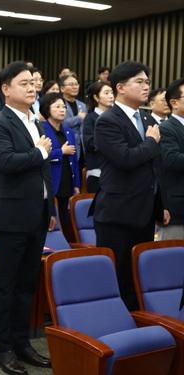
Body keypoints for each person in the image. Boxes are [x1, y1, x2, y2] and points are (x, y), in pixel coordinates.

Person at [0, 61, 54, 375]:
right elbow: (4, 161)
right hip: (9, 217)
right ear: (6, 89)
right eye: (24, 83)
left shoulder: (34, 122)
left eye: (33, 83)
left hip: (36, 215)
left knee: (27, 284)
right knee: (4, 286)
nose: (31, 87)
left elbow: (42, 173)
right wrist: (39, 152)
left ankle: (22, 342)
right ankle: (2, 348)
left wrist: (49, 209)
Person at [92, 61, 168, 311]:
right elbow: (125, 159)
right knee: (117, 277)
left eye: (147, 82)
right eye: (140, 82)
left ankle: (138, 324)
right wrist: (149, 143)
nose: (146, 86)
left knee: (137, 275)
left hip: (144, 211)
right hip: (117, 212)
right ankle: (114, 326)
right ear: (120, 87)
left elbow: (155, 168)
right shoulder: (107, 120)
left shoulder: (146, 117)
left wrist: (161, 204)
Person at [41, 93, 80, 241]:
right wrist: (60, 152)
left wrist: (76, 183)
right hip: (50, 180)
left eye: (63, 107)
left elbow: (74, 159)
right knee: (49, 217)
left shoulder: (68, 131)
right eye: (57, 107)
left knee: (64, 216)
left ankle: (62, 245)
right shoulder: (42, 129)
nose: (62, 110)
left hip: (66, 179)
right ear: (47, 109)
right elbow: (39, 155)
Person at [159, 78, 184, 240]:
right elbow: (172, 159)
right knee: (173, 260)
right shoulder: (166, 128)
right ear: (174, 103)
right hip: (178, 208)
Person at [82, 81, 114, 192]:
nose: (111, 96)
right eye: (106, 93)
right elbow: (89, 142)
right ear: (96, 97)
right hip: (98, 171)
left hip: (116, 170)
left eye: (111, 92)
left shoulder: (116, 117)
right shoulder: (90, 118)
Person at [60, 73, 86, 158]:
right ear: (62, 88)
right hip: (67, 145)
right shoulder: (59, 104)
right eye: (71, 85)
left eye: (76, 84)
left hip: (82, 146)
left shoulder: (82, 105)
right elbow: (61, 124)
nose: (75, 87)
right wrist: (78, 118)